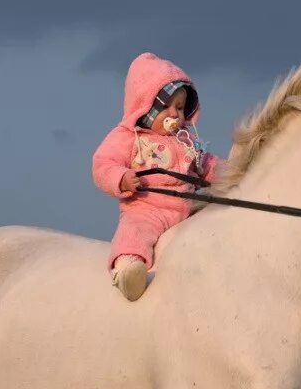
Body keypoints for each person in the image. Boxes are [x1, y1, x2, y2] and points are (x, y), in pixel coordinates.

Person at [92, 52, 220, 301]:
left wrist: (233, 172)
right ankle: (129, 271)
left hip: (186, 208)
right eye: (166, 107)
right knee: (134, 234)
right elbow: (102, 164)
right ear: (146, 105)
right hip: (147, 207)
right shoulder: (129, 136)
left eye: (180, 108)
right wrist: (121, 178)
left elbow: (205, 163)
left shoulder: (186, 138)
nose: (175, 114)